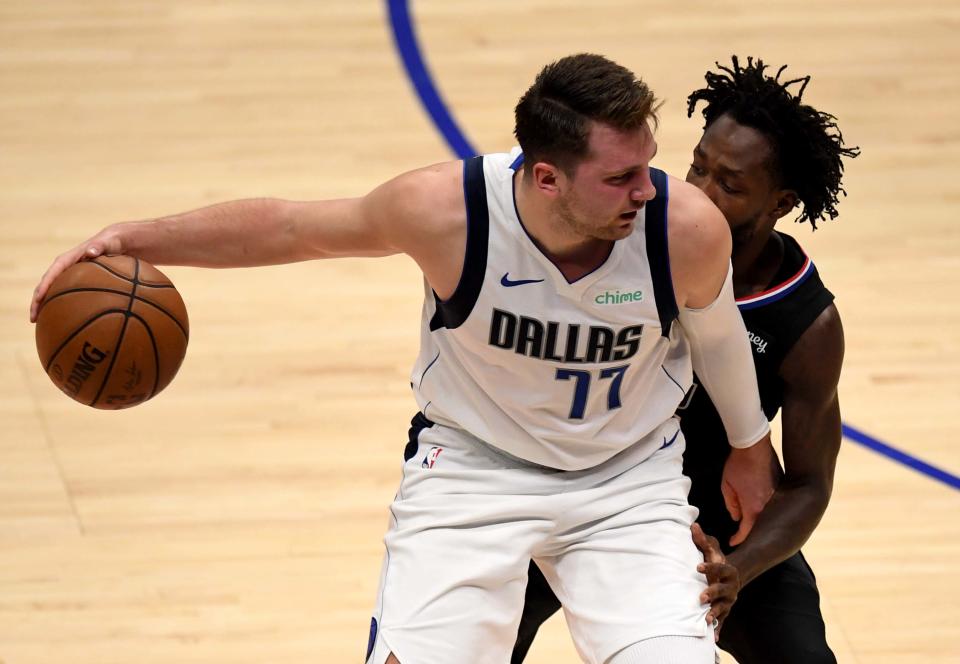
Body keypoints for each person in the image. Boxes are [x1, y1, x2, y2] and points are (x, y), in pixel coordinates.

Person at [31, 54, 777, 664]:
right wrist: (132, 240)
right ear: (545, 177)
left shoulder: (682, 229)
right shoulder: (446, 214)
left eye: (646, 164)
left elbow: (715, 337)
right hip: (474, 471)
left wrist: (749, 446)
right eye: (620, 177)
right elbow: (292, 229)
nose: (647, 188)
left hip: (625, 481)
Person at [512, 56, 859, 664]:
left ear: (779, 203)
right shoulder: (618, 237)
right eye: (697, 165)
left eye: (728, 184)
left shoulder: (806, 321)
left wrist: (739, 570)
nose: (696, 191)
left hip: (715, 530)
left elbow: (808, 485)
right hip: (582, 488)